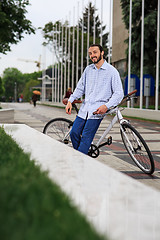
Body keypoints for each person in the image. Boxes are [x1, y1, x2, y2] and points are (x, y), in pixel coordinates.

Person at [65, 44, 124, 155]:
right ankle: (83, 156)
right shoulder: (88, 70)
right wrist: (70, 101)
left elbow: (119, 93)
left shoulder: (112, 71)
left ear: (102, 53)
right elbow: (80, 88)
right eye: (90, 53)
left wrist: (106, 106)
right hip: (84, 110)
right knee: (74, 133)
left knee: (86, 138)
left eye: (95, 52)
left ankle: (80, 163)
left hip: (97, 111)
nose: (92, 55)